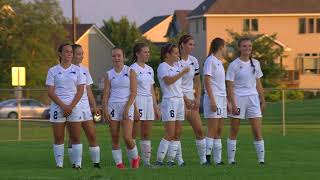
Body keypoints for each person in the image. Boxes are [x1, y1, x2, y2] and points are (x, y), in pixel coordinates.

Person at [226, 37, 266, 164]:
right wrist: (232, 103)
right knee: (234, 130)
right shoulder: (234, 65)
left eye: (249, 46)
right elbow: (229, 86)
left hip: (253, 99)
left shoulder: (256, 63)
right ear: (239, 48)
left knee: (257, 131)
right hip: (238, 99)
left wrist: (262, 99)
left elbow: (258, 82)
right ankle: (231, 159)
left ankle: (261, 160)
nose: (247, 48)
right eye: (244, 46)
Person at [46, 44, 85, 169]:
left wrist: (70, 106)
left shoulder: (78, 70)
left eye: (71, 52)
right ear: (60, 53)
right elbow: (50, 92)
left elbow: (80, 91)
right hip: (58, 107)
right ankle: (59, 164)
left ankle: (77, 164)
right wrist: (63, 106)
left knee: (75, 137)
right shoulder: (52, 71)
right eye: (66, 52)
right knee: (58, 137)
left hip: (74, 107)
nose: (69, 54)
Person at [102, 47, 140, 169]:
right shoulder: (109, 74)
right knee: (114, 136)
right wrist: (105, 110)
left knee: (127, 137)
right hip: (113, 106)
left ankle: (135, 157)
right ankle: (119, 164)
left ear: (123, 56)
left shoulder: (130, 71)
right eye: (114, 56)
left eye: (119, 55)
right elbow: (106, 94)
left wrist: (127, 108)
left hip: (126, 105)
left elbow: (134, 92)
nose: (116, 58)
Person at [66, 44, 101, 168]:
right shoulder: (66, 70)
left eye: (82, 53)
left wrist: (94, 106)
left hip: (85, 107)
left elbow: (89, 90)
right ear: (72, 55)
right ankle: (75, 164)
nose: (82, 56)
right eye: (79, 54)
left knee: (92, 134)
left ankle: (96, 164)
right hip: (73, 106)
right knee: (74, 137)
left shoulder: (85, 69)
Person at [155, 43, 190, 167]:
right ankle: (159, 160)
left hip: (179, 100)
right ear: (167, 55)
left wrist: (185, 100)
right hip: (169, 101)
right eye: (175, 53)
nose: (178, 55)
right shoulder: (163, 66)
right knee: (170, 132)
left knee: (178, 132)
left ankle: (170, 160)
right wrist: (182, 72)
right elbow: (169, 81)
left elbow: (178, 87)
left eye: (178, 53)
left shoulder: (177, 66)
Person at [130, 43, 161, 167]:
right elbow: (131, 91)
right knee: (134, 133)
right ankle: (134, 160)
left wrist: (156, 107)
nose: (147, 54)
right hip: (138, 101)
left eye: (148, 52)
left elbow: (151, 89)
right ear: (137, 54)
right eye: (145, 52)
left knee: (146, 134)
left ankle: (147, 162)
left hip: (148, 102)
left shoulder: (149, 69)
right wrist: (135, 108)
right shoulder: (133, 69)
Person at [177, 34, 206, 165]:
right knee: (177, 133)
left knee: (199, 130)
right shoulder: (175, 61)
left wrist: (198, 98)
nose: (192, 47)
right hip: (178, 98)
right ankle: (179, 160)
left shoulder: (194, 60)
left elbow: (197, 81)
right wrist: (184, 99)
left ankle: (203, 160)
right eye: (190, 44)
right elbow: (173, 84)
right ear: (182, 45)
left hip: (192, 98)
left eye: (193, 45)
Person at [203, 38, 227, 165]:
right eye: (225, 46)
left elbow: (221, 83)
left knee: (219, 129)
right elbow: (207, 81)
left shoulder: (219, 62)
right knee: (212, 129)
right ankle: (206, 158)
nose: (226, 49)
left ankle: (218, 160)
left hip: (222, 98)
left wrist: (226, 99)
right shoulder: (210, 61)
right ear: (221, 47)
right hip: (214, 98)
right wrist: (212, 100)